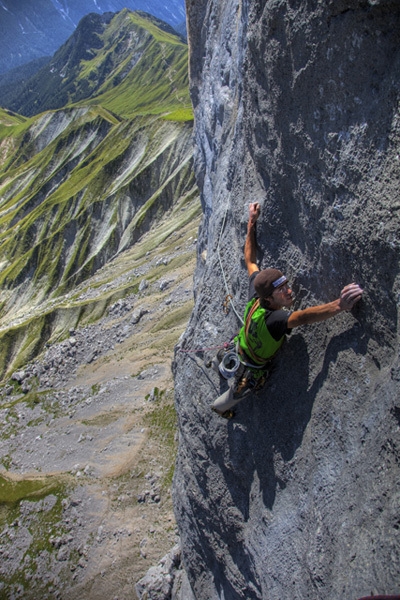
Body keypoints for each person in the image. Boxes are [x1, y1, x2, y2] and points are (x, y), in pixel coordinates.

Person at [211, 202, 363, 418]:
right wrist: (339, 305)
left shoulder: (257, 292)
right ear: (269, 297)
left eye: (286, 285)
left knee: (225, 357)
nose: (289, 292)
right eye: (282, 290)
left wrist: (251, 222)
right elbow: (305, 317)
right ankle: (219, 409)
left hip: (240, 343)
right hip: (252, 362)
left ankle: (220, 361)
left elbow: (250, 260)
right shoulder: (275, 319)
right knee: (237, 394)